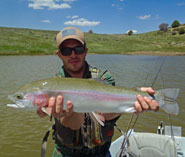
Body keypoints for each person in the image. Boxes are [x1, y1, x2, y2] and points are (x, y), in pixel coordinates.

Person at [37, 27, 159, 157]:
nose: (73, 55)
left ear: (86, 51)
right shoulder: (53, 86)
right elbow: (69, 123)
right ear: (59, 54)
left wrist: (134, 100)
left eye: (78, 49)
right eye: (66, 50)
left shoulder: (103, 78)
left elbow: (104, 115)